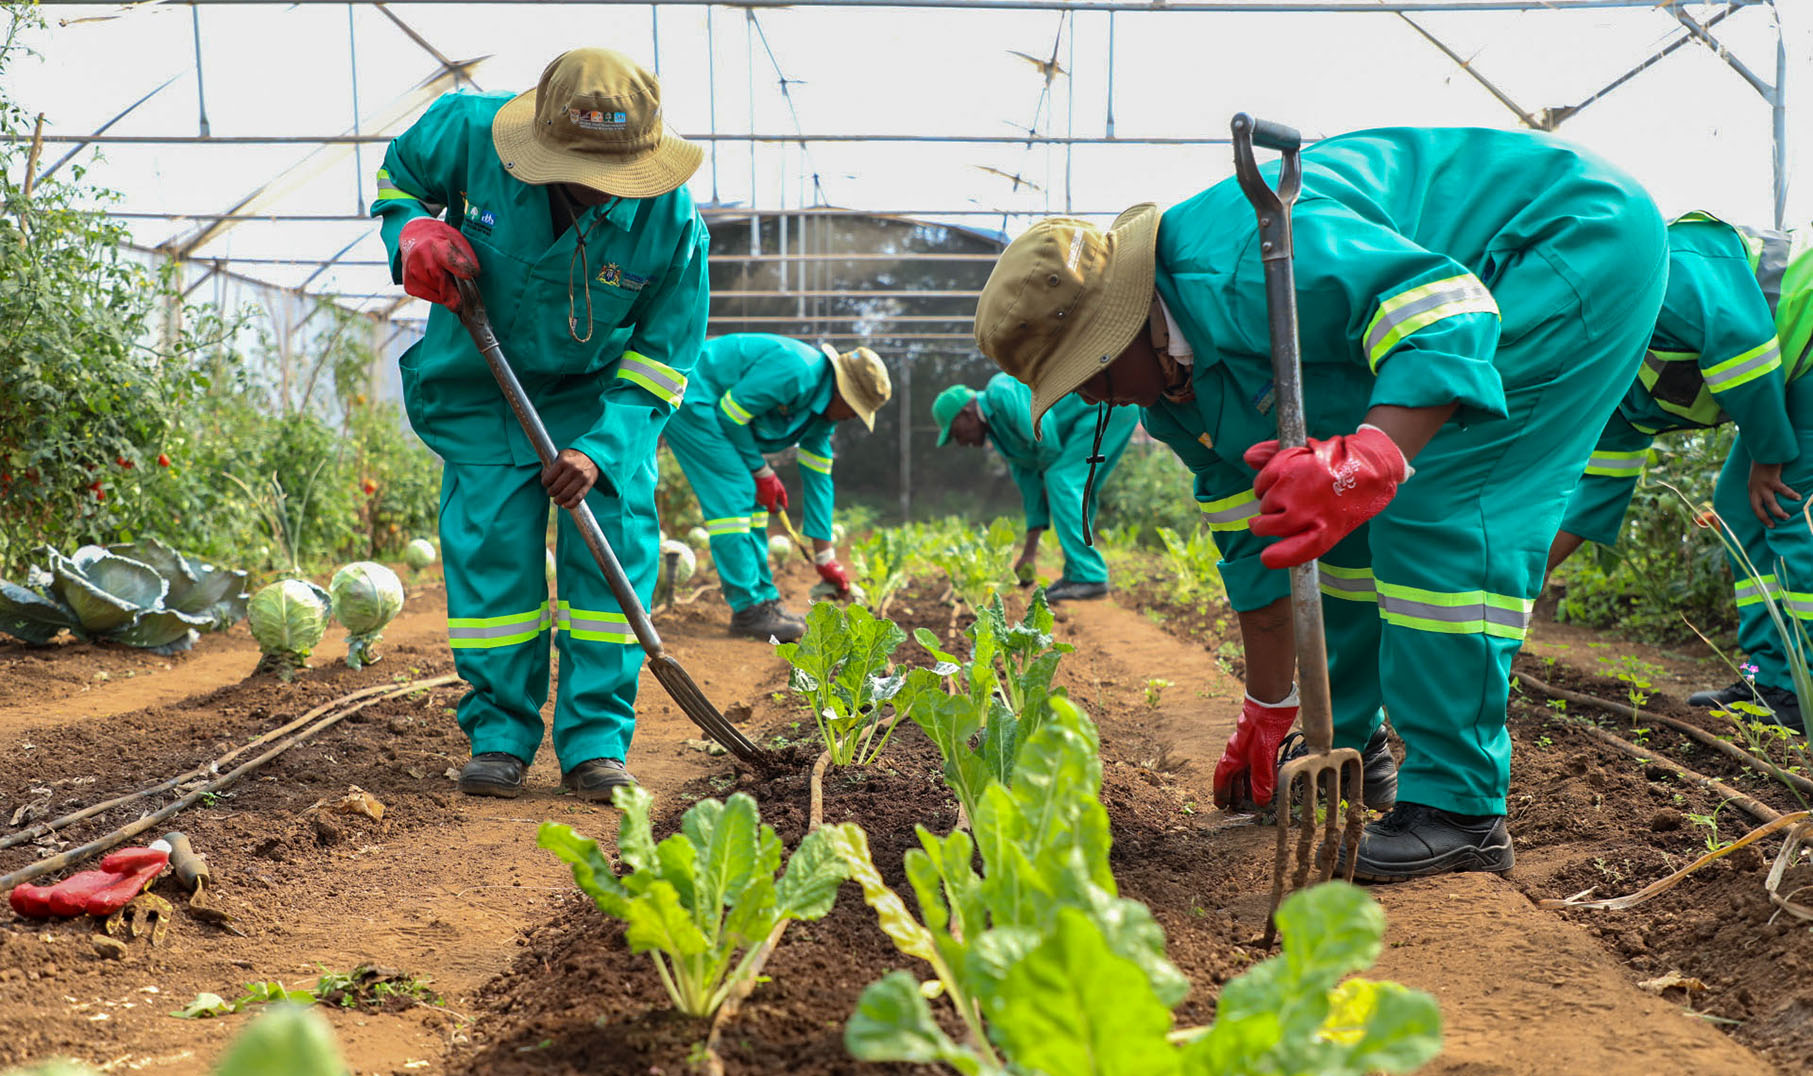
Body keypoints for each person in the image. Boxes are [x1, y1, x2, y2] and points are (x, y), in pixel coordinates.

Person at [972, 127, 1666, 880]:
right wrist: (1267, 710)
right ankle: (1350, 740)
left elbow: (1446, 313)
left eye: (1088, 373)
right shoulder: (1173, 403)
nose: (1085, 396)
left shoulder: (1240, 263)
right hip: (1507, 265)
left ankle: (1460, 809)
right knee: (1327, 524)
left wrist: (1370, 455)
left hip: (1564, 244)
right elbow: (1260, 551)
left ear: (1126, 327)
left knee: (1433, 509)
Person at [373, 49, 709, 802]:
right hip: (485, 384)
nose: (598, 191)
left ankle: (594, 742)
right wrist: (412, 232)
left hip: (600, 400)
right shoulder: (468, 132)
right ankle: (499, 733)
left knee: (609, 562)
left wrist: (603, 448)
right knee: (494, 559)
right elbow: (398, 175)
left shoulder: (673, 223)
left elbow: (665, 354)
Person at [1549, 213, 1813, 730]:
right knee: (1739, 509)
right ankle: (1772, 681)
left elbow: (1744, 344)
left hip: (1808, 334)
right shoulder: (1609, 385)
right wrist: (1531, 576)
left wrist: (1767, 452)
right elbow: (1594, 495)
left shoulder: (1654, 271)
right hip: (1791, 373)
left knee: (1784, 505)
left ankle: (1804, 687)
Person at [664, 333, 892, 641]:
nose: (853, 417)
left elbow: (819, 482)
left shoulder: (821, 420)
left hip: (715, 410)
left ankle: (764, 600)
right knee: (736, 495)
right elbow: (732, 414)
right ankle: (748, 610)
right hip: (693, 396)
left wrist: (826, 559)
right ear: (842, 391)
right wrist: (762, 472)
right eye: (855, 408)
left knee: (756, 504)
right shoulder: (798, 370)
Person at [931, 373, 1138, 601]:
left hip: (1104, 405)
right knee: (1070, 486)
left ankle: (1089, 575)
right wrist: (1029, 553)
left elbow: (1044, 433)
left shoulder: (1000, 392)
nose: (961, 442)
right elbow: (1030, 489)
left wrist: (1050, 487)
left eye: (955, 433)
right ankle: (1076, 573)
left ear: (967, 414)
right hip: (1094, 416)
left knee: (1061, 479)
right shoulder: (1000, 436)